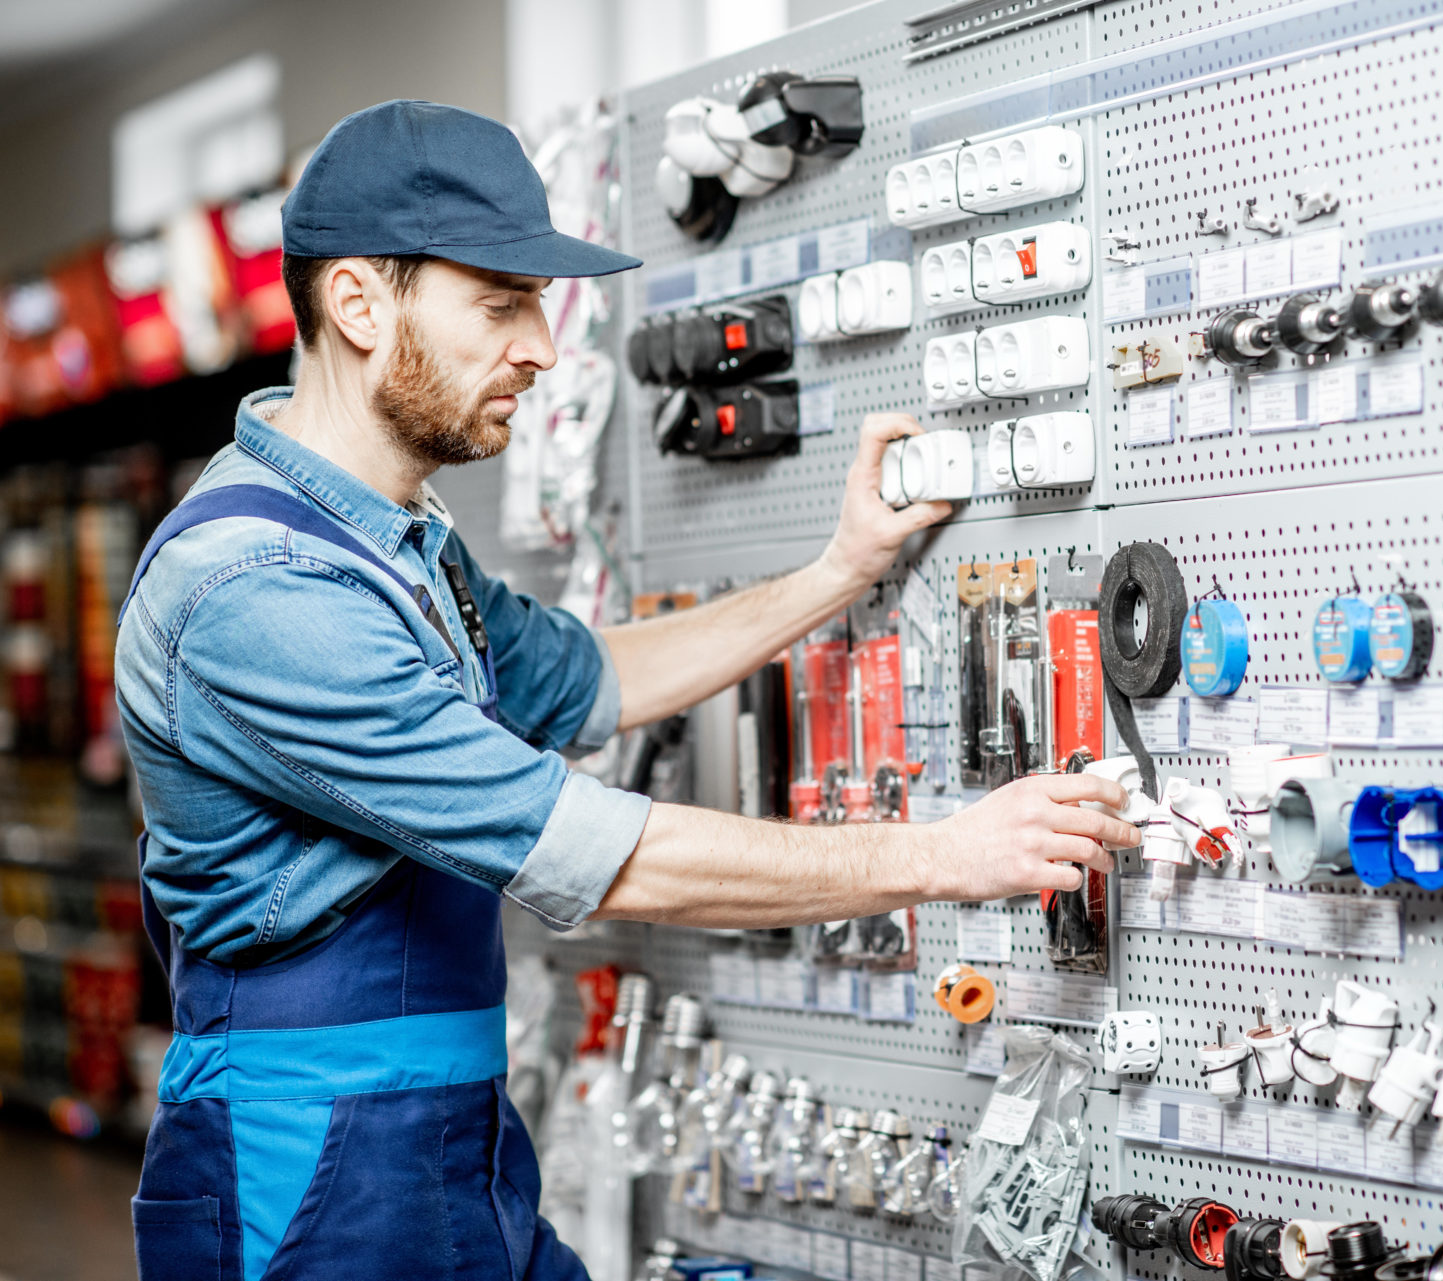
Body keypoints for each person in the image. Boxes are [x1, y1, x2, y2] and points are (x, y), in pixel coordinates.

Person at [115, 100, 1139, 1281]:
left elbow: (597, 676)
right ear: (357, 304)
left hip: (447, 1147)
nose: (543, 348)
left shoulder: (395, 547)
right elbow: (603, 853)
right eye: (501, 306)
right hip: (304, 1178)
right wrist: (944, 857)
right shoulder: (255, 592)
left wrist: (836, 574)